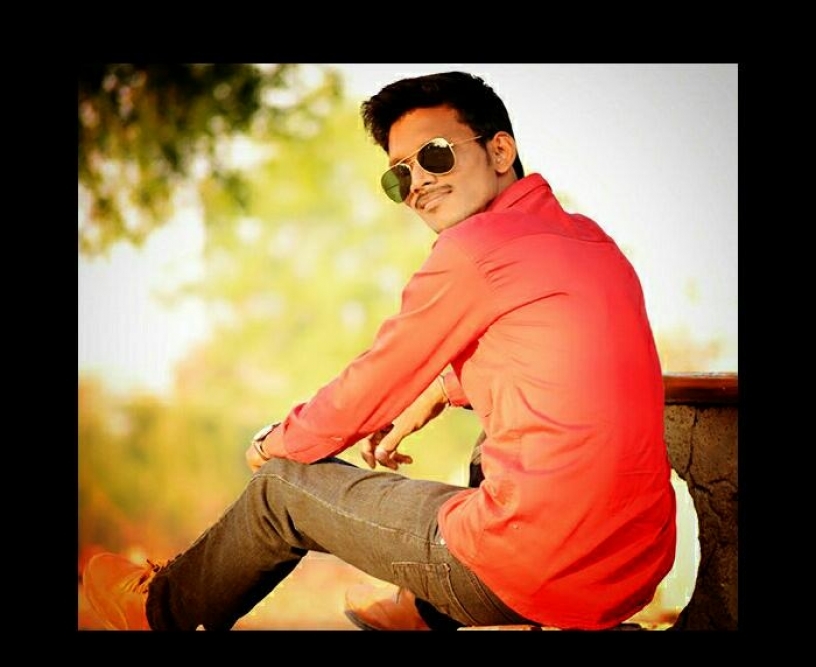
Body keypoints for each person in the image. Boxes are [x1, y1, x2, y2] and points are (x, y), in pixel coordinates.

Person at [82, 70, 677, 632]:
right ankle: (429, 608)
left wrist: (277, 442)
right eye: (399, 176)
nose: (417, 184)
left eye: (436, 155)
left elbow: (373, 383)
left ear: (500, 151)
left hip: (536, 571)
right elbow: (560, 363)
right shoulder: (591, 240)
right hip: (631, 571)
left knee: (281, 490)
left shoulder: (473, 248)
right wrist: (443, 391)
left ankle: (159, 610)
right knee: (505, 434)